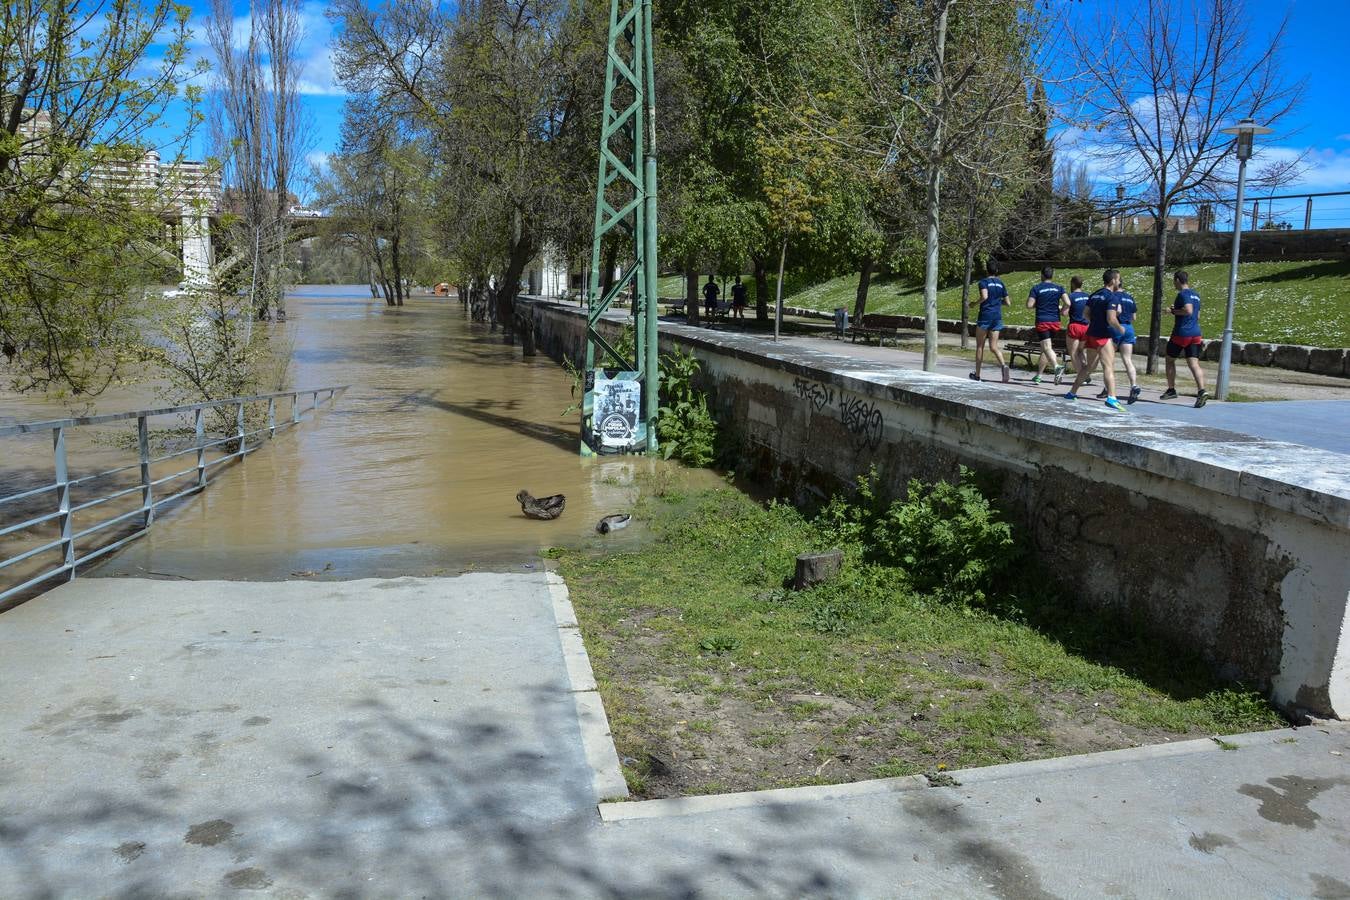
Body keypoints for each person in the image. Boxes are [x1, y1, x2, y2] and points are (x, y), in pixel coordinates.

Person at [1064, 269, 1127, 412]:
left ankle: (1072, 393)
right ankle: (1112, 398)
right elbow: (1111, 319)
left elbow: (1085, 314)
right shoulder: (1112, 297)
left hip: (1091, 333)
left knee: (1088, 367)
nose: (1119, 282)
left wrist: (1096, 321)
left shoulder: (1094, 294)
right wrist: (1120, 328)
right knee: (1108, 366)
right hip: (1103, 336)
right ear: (1112, 281)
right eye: (1118, 279)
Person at [1163, 270, 1209, 408]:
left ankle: (1171, 389)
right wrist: (1177, 309)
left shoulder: (1183, 294)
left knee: (1169, 359)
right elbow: (1196, 315)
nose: (1173, 283)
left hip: (1182, 333)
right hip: (1196, 333)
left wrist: (1172, 311)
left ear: (1177, 280)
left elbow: (1188, 310)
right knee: (1194, 363)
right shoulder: (1196, 295)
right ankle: (1202, 391)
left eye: (1173, 281)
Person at [1026, 265, 1068, 384]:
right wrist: (1062, 310)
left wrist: (1038, 304)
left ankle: (1056, 366)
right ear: (1052, 275)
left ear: (1042, 275)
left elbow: (1029, 305)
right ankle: (1039, 375)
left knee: (1046, 347)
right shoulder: (1059, 288)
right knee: (1046, 348)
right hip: (1055, 321)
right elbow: (1068, 302)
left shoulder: (1037, 288)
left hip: (1043, 321)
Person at [971, 260, 1010, 383]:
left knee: (980, 346)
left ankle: (977, 375)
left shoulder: (983, 282)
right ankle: (1004, 366)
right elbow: (1008, 303)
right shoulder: (1001, 284)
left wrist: (974, 304)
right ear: (996, 271)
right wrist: (999, 302)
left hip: (985, 316)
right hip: (997, 317)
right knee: (994, 346)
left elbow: (984, 296)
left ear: (986, 270)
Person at [1107, 281, 1141, 403]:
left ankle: (1108, 388)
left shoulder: (1113, 296)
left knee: (1109, 359)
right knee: (1127, 360)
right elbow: (1134, 317)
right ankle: (1134, 385)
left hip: (1116, 327)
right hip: (1129, 328)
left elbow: (1114, 313)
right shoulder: (1130, 297)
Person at [1061, 275, 1092, 387]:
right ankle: (1086, 374)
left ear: (1073, 284)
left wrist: (1061, 309)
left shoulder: (1071, 296)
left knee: (1073, 353)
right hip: (1086, 326)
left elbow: (1064, 313)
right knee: (1081, 352)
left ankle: (1081, 376)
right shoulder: (1087, 296)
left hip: (1075, 326)